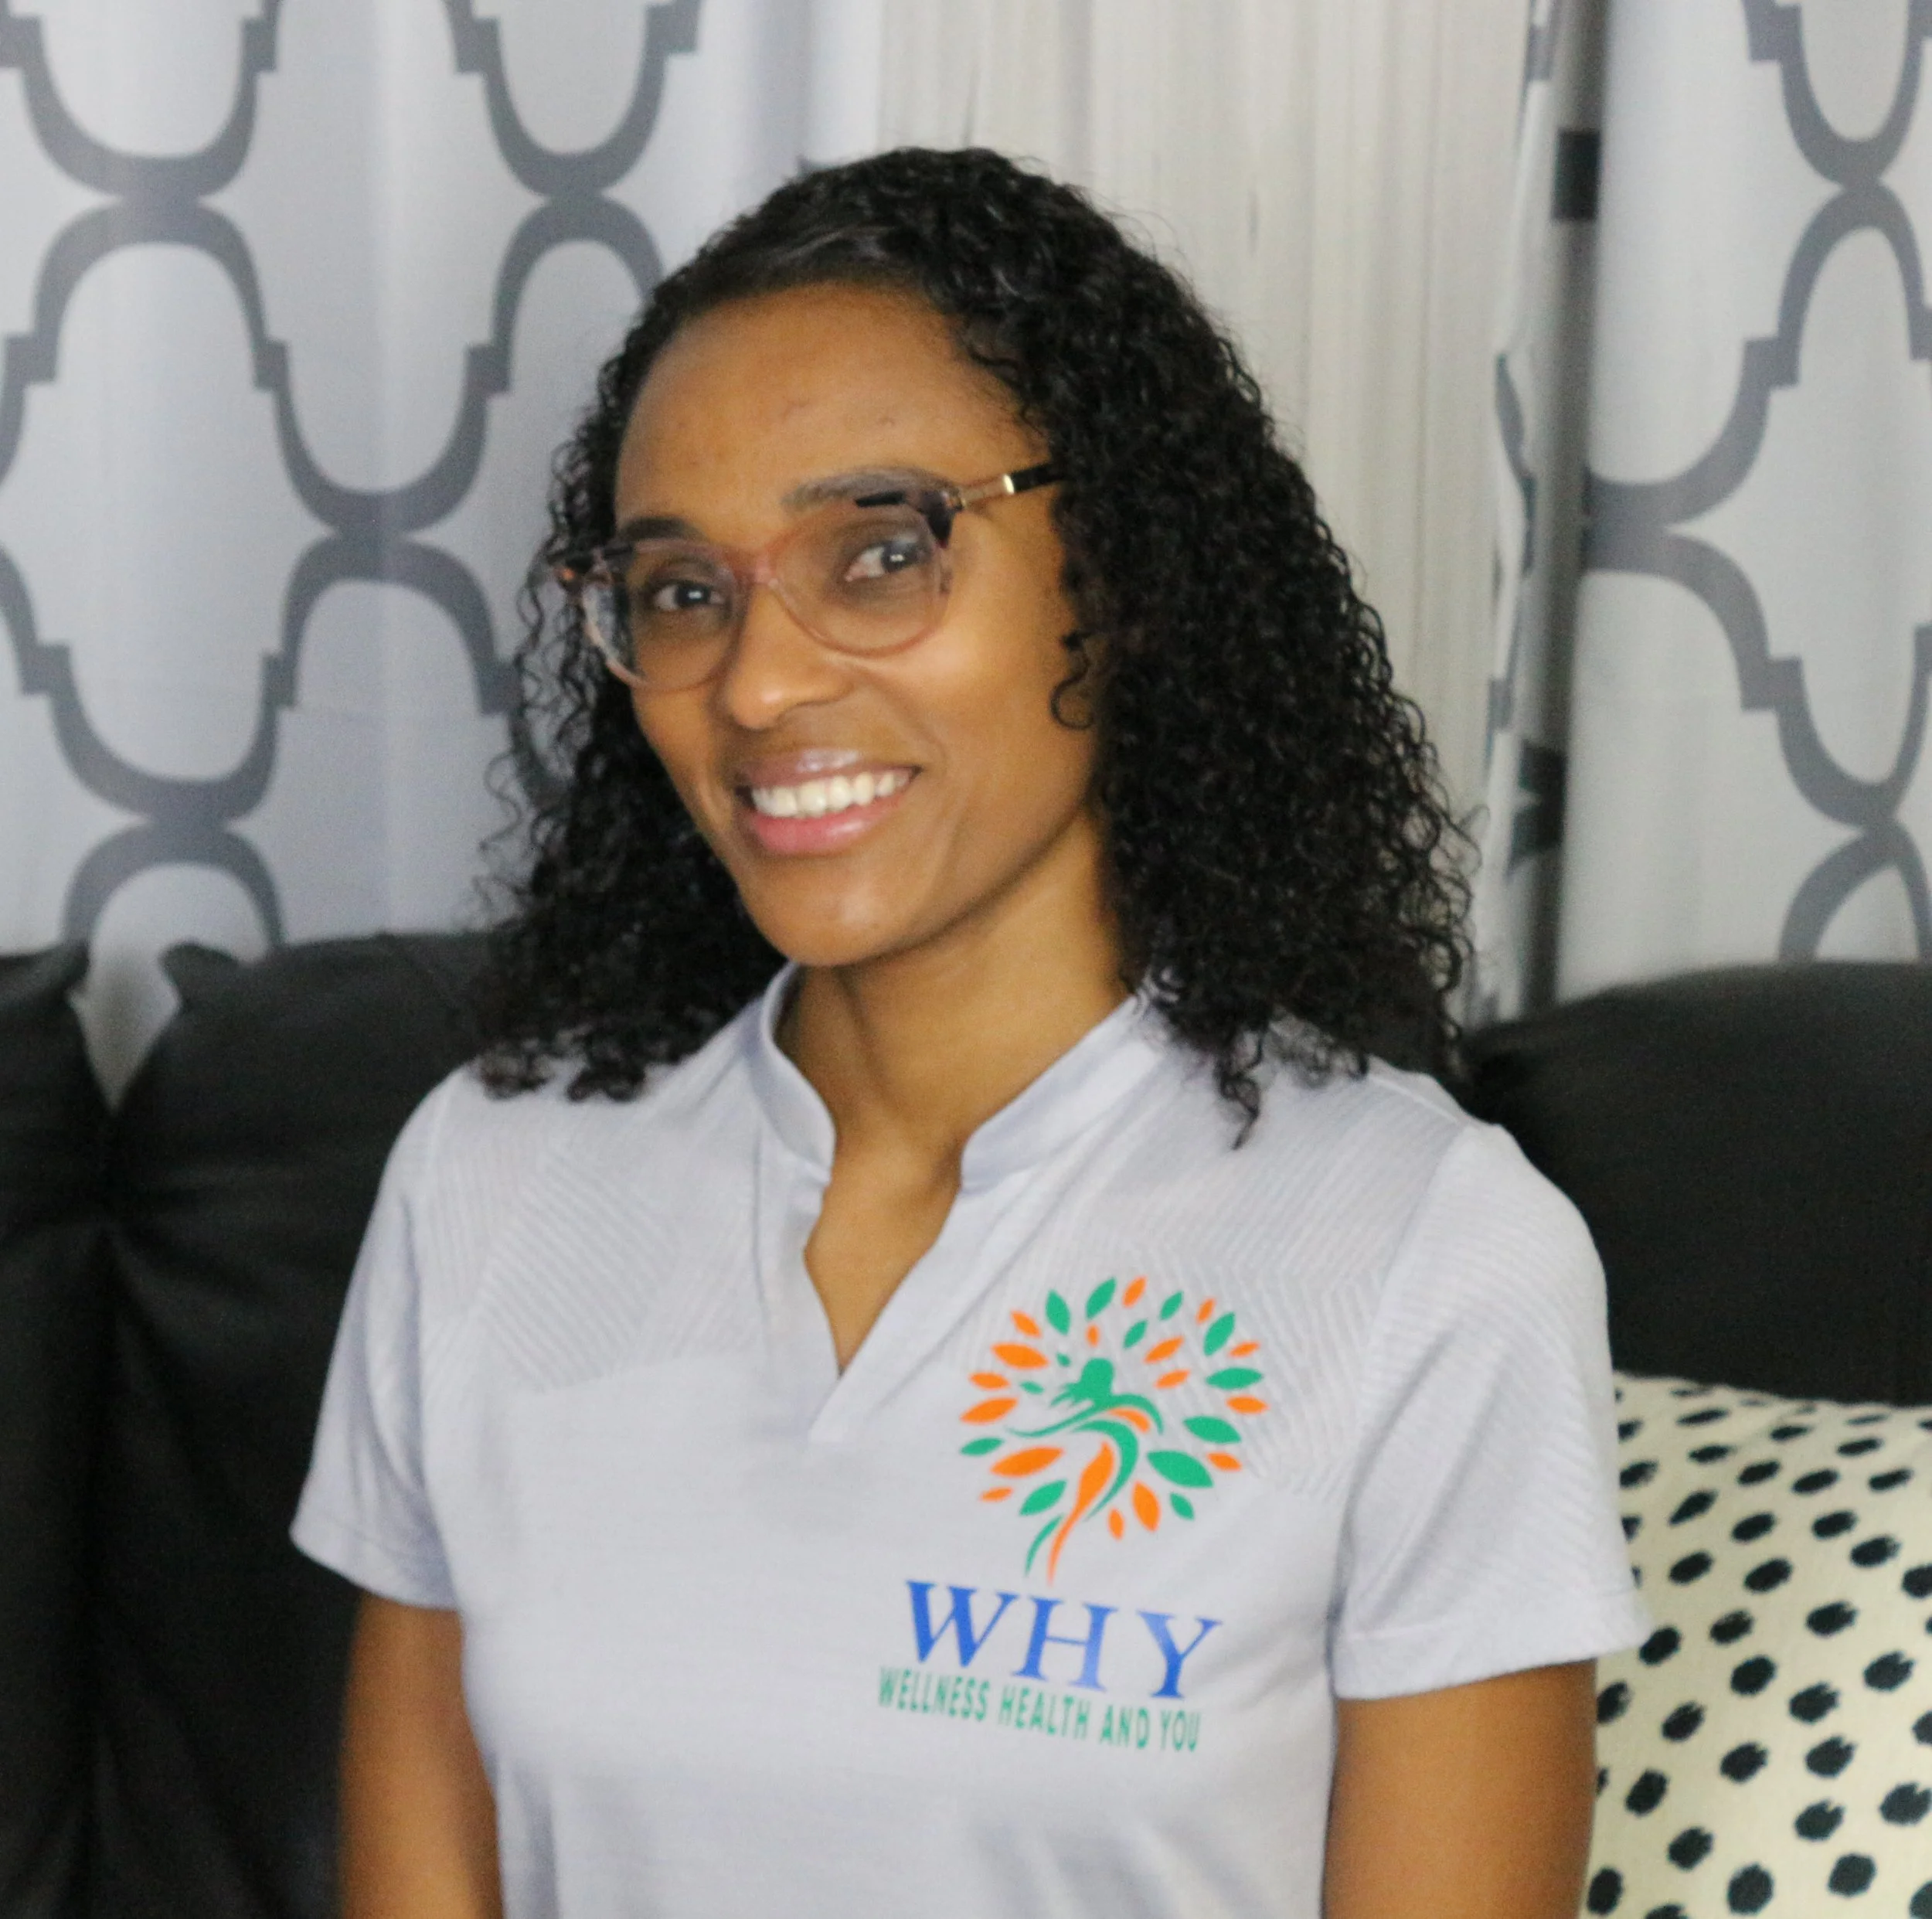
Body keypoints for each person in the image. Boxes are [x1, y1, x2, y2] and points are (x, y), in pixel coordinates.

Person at [294, 147, 1645, 1919]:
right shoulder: (489, 1176)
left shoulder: (1427, 1254)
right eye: (684, 588)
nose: (758, 684)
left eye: (878, 553)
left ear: (1125, 573)